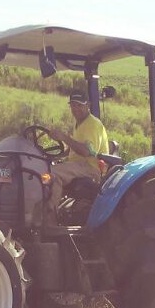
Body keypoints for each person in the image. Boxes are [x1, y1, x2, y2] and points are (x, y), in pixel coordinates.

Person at [44, 93, 109, 225]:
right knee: (43, 167)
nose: (76, 109)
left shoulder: (93, 124)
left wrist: (64, 137)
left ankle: (48, 220)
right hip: (78, 165)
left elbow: (86, 151)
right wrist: (52, 156)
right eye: (73, 105)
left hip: (91, 167)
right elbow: (74, 149)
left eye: (80, 105)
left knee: (53, 174)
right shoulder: (79, 123)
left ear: (88, 106)